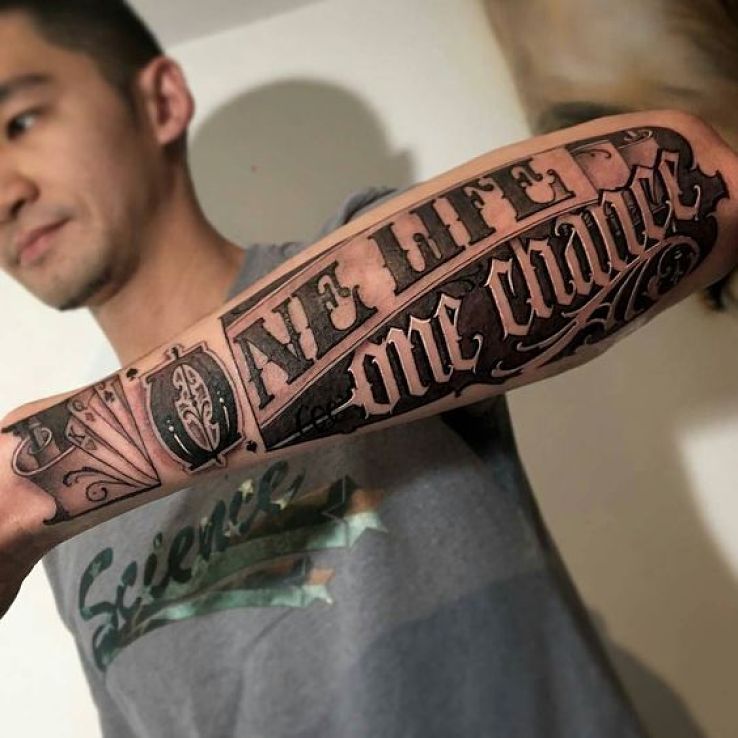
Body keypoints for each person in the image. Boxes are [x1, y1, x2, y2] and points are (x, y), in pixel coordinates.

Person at [0, 2, 735, 736]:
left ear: (161, 101)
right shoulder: (63, 547)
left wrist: (42, 471)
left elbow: (699, 182)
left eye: (21, 122)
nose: (4, 193)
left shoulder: (374, 266)